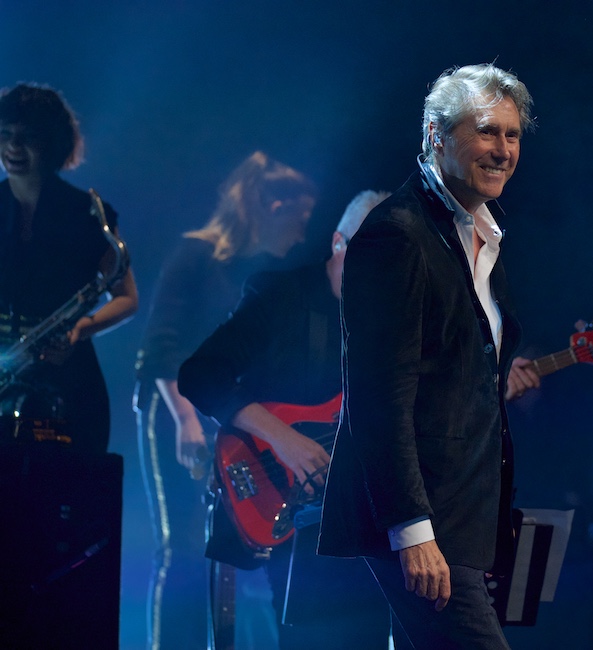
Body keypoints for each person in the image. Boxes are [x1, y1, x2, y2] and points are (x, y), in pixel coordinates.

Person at [317, 63, 540, 649]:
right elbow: (378, 400)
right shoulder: (398, 235)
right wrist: (412, 531)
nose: (503, 150)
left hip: (462, 516)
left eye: (512, 135)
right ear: (437, 135)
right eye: (487, 131)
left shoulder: (480, 235)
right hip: (418, 519)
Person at [177, 189, 392, 649]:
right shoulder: (282, 295)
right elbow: (200, 373)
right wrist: (283, 439)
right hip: (282, 505)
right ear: (338, 242)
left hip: (359, 519)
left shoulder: (391, 326)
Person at [134, 150, 316, 650]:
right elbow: (162, 349)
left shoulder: (261, 272)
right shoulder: (194, 255)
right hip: (175, 408)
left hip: (230, 417)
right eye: (299, 220)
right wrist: (186, 421)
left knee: (231, 547)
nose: (303, 234)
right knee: (184, 544)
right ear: (270, 206)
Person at [0, 82, 139, 454]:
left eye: (27, 136)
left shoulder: (88, 213)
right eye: (6, 134)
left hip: (68, 385)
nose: (13, 146)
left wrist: (82, 328)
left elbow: (127, 298)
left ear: (51, 143)